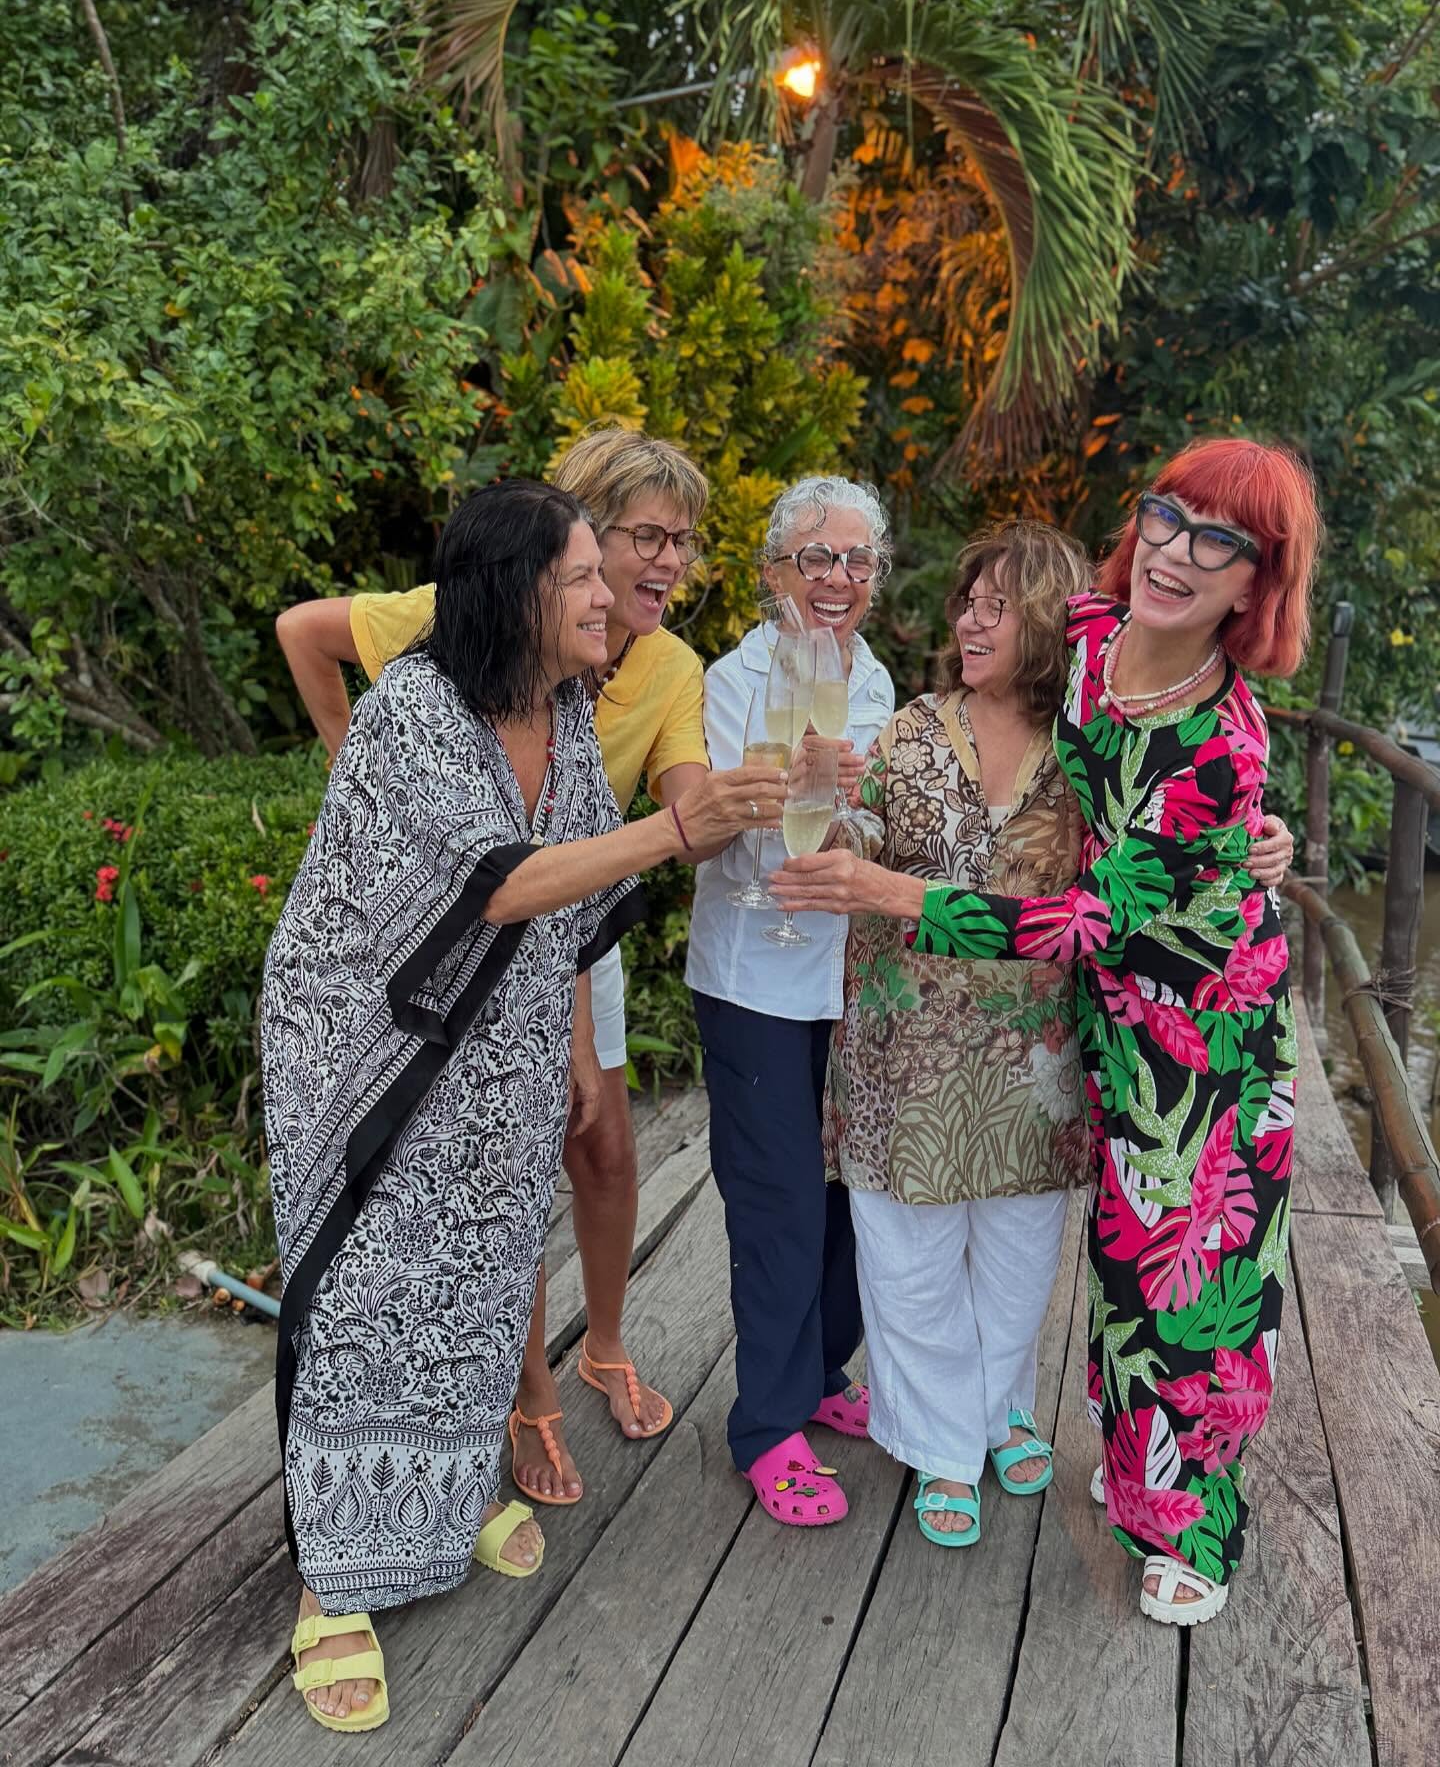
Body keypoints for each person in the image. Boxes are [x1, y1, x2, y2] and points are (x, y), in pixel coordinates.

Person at [265, 479, 783, 1732]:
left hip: (500, 1041)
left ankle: (443, 1502)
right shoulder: (414, 713)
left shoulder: (563, 707)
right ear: (515, 594)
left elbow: (566, 906)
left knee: (487, 1270)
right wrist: (676, 830)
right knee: (373, 1292)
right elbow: (502, 885)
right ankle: (334, 1581)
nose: (611, 598)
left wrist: (574, 1051)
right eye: (584, 578)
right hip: (366, 1046)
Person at [774, 437, 1316, 1621]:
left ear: (1255, 583)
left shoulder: (1223, 741)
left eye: (1218, 540)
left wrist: (901, 897)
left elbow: (1095, 917)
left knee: (1192, 1287)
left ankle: (1192, 1521)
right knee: (1122, 1272)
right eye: (1166, 516)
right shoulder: (1089, 636)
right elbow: (997, 641)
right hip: (1101, 1015)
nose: (1177, 551)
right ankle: (1122, 1471)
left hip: (1202, 1030)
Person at [275, 428, 716, 1508]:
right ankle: (387, 1510)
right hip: (401, 992)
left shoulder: (601, 691)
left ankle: (507, 1431)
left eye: (681, 543)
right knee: (400, 1238)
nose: (657, 570)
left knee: (534, 1193)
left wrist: (577, 1040)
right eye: (637, 544)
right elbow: (500, 881)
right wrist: (363, 776)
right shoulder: (431, 673)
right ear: (538, 578)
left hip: (538, 963)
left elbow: (599, 875)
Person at [684, 475, 897, 1526]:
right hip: (755, 979)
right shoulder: (735, 680)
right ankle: (766, 1425)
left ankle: (818, 1373)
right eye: (816, 556)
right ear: (776, 571)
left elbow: (885, 834)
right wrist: (804, 790)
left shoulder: (880, 683)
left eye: (857, 560)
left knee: (852, 1192)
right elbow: (732, 835)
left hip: (851, 978)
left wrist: (858, 804)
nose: (837, 577)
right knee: (778, 1200)